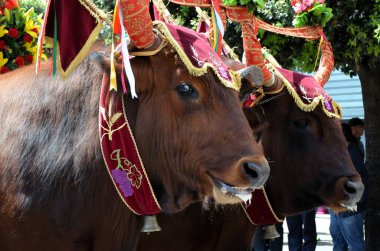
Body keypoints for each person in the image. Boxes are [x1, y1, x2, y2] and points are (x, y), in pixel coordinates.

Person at [328, 120, 368, 251]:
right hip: (337, 206)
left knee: (354, 244)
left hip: (349, 208)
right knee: (338, 242)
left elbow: (353, 183)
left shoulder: (352, 154)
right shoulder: (341, 152)